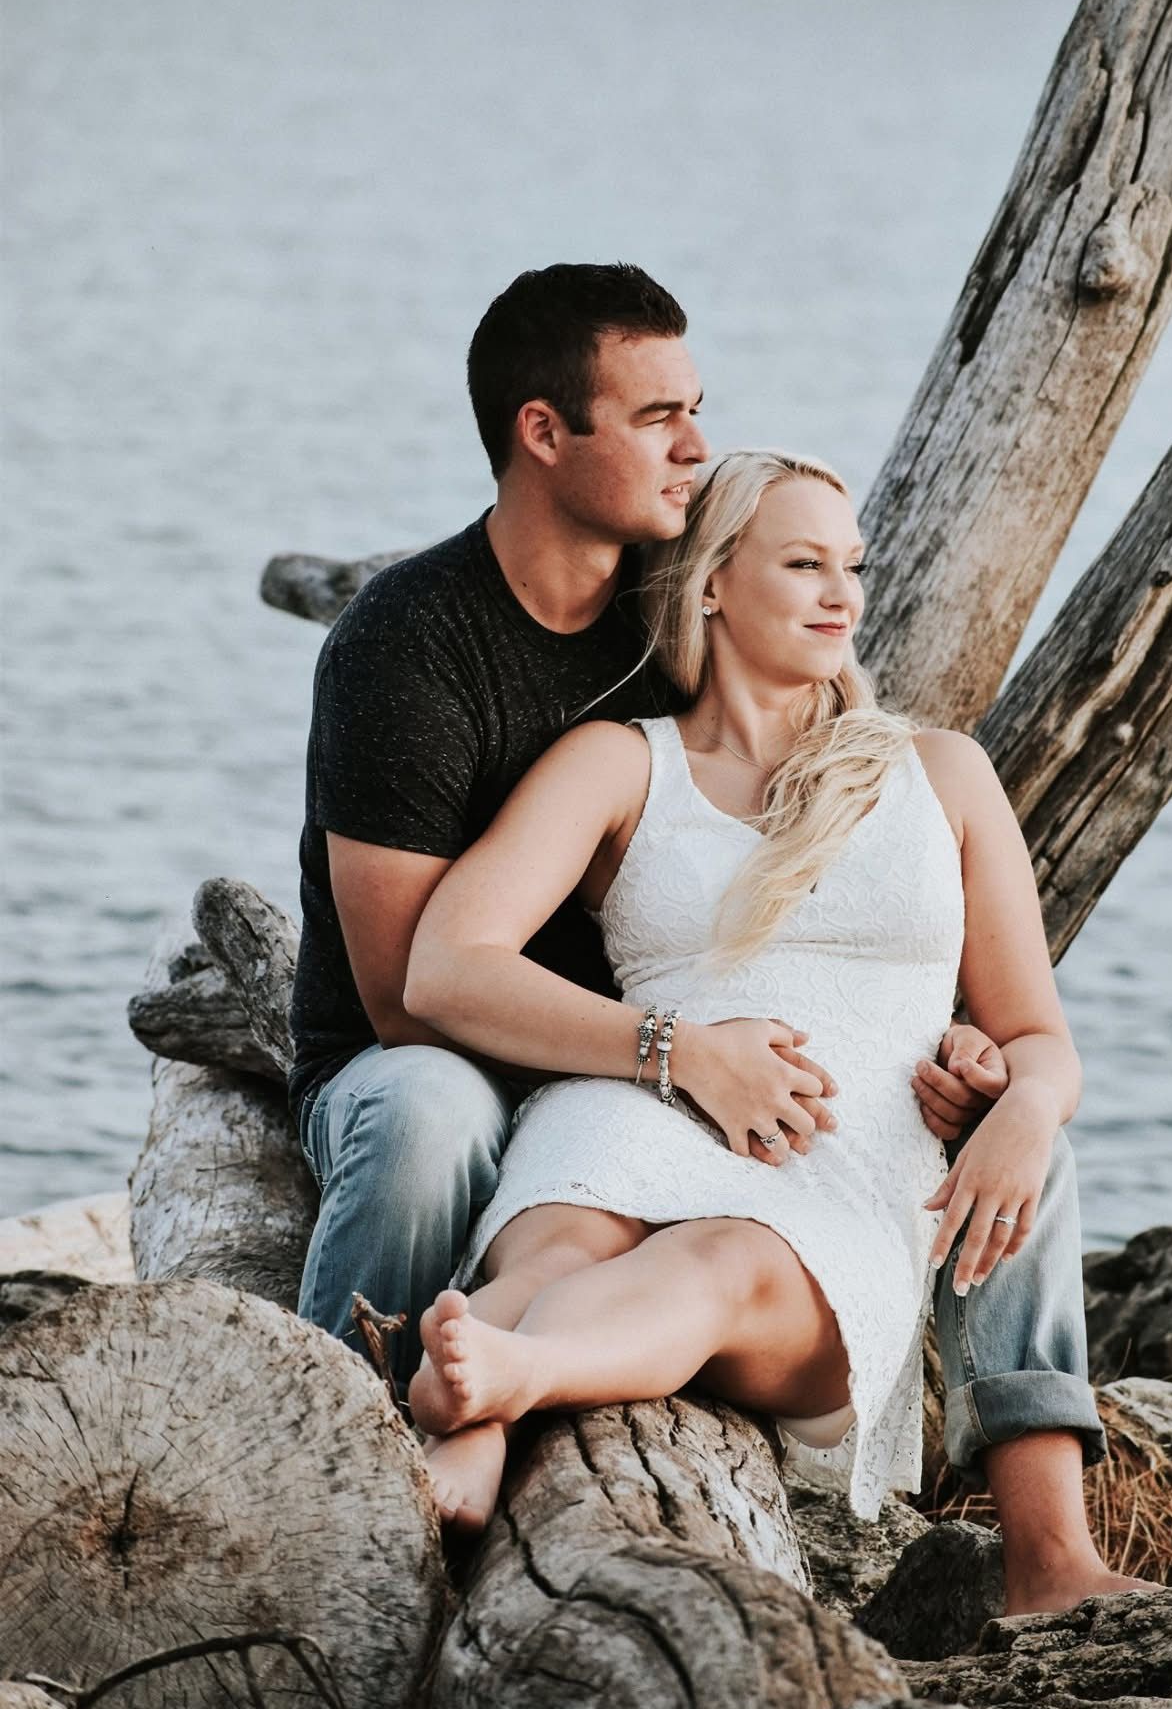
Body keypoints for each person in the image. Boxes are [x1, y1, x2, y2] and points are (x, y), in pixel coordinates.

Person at [402, 448, 1158, 1620]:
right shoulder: (620, 762)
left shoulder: (940, 775)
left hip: (841, 1170)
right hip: (636, 1106)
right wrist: (681, 1051)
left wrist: (1024, 1105)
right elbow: (448, 965)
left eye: (851, 566)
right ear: (710, 582)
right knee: (555, 1248)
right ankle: (474, 1410)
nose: (842, 593)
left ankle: (499, 1385)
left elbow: (1036, 1031)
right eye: (804, 563)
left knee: (722, 1261)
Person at [289, 264, 1002, 1386]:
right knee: (431, 1115)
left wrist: (949, 1042)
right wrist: (669, 1058)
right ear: (544, 432)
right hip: (437, 1058)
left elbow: (815, 802)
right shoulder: (409, 645)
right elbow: (402, 998)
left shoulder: (676, 607)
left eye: (698, 410)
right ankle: (338, 1418)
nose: (695, 447)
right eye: (659, 415)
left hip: (650, 1067)